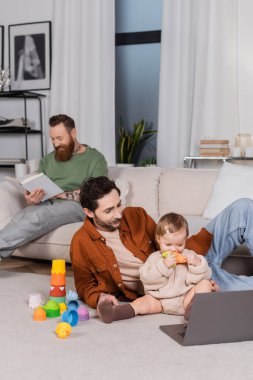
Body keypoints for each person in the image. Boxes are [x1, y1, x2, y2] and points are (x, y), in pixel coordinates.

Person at [70, 176, 217, 324]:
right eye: (109, 210)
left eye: (119, 205)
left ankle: (205, 297)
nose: (119, 214)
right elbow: (84, 286)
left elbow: (168, 243)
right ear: (89, 212)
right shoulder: (80, 242)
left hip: (184, 275)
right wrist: (100, 297)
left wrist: (198, 265)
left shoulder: (137, 215)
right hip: (154, 292)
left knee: (235, 213)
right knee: (229, 290)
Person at [0, 114, 108, 258]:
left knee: (39, 216)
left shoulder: (95, 158)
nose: (56, 144)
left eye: (60, 139)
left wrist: (60, 195)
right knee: (21, 217)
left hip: (77, 206)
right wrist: (32, 199)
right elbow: (39, 187)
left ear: (73, 133)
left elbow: (97, 193)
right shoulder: (48, 160)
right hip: (47, 203)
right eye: (52, 139)